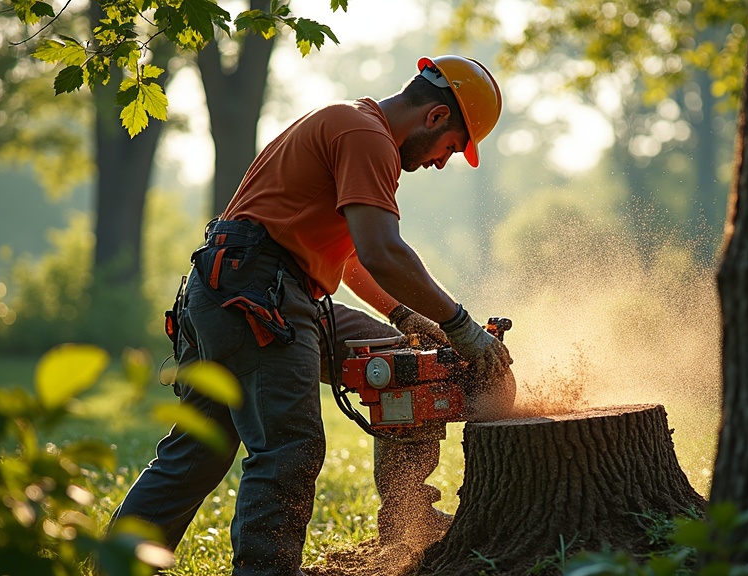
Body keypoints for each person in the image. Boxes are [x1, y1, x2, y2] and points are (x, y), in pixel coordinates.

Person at [108, 55, 513, 575]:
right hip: (258, 295)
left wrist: (407, 320)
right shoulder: (367, 136)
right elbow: (381, 251)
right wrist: (463, 329)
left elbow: (346, 256)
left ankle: (409, 520)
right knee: (288, 449)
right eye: (452, 147)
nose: (442, 161)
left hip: (238, 288)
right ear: (435, 117)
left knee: (400, 363)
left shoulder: (350, 124)